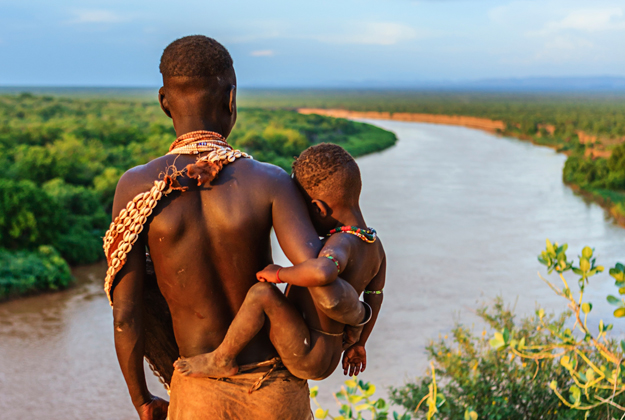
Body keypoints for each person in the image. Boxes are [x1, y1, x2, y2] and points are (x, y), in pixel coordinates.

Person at [107, 35, 324, 420]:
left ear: (163, 102)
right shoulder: (270, 181)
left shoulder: (137, 188)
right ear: (231, 99)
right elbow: (319, 276)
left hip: (198, 394)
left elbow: (126, 314)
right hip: (274, 388)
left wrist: (142, 398)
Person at [174, 143, 386, 381]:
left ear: (318, 209)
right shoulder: (374, 246)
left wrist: (279, 274)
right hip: (331, 353)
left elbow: (322, 272)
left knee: (261, 294)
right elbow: (375, 294)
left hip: (307, 351)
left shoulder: (341, 243)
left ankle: (221, 359)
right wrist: (361, 342)